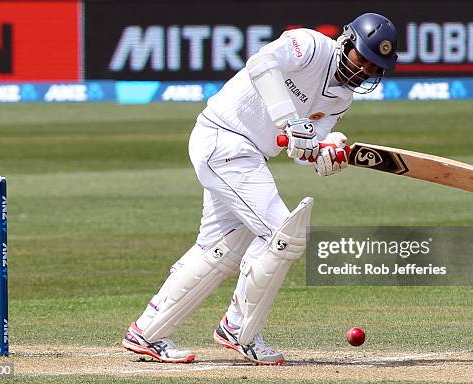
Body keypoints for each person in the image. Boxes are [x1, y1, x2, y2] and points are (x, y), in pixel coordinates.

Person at [122, 13, 398, 365]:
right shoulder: (311, 46)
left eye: (375, 68)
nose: (364, 71)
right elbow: (260, 62)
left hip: (246, 156)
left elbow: (301, 150)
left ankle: (147, 333)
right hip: (224, 140)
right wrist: (288, 119)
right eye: (363, 59)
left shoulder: (341, 98)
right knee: (282, 235)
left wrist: (325, 150)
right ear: (347, 42)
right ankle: (238, 330)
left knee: (221, 247)